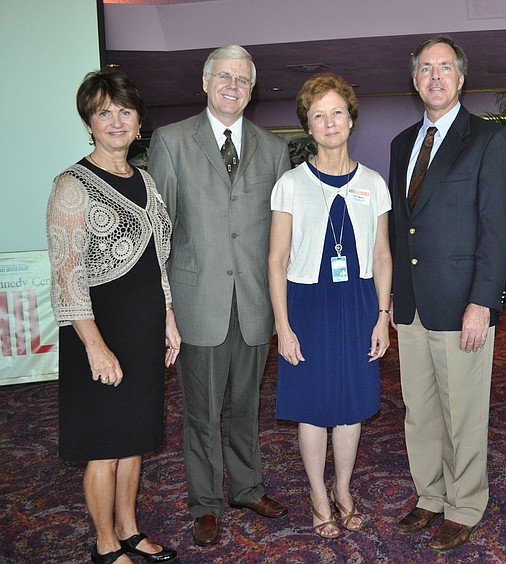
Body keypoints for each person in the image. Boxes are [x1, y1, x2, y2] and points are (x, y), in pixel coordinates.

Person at [146, 45, 290, 547]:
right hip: (196, 301)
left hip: (254, 303)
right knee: (202, 411)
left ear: (253, 90)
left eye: (243, 80)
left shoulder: (274, 150)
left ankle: (247, 487)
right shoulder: (170, 141)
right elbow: (158, 232)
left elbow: (281, 235)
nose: (233, 86)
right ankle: (204, 502)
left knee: (246, 405)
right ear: (205, 83)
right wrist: (163, 306)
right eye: (224, 77)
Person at [388, 35, 506, 552]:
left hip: (464, 301)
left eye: (445, 67)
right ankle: (430, 495)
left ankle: (465, 504)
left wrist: (484, 301)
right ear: (415, 79)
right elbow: (404, 229)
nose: (435, 76)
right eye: (425, 68)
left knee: (463, 410)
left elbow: (497, 227)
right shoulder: (402, 144)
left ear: (462, 78)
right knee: (418, 409)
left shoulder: (488, 140)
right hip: (412, 303)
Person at [46, 69, 179, 564]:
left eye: (125, 111)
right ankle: (105, 544)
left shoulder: (144, 180)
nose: (117, 121)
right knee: (104, 443)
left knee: (135, 438)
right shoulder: (71, 185)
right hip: (98, 332)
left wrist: (168, 316)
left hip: (144, 328)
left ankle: (129, 529)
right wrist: (95, 345)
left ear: (139, 120)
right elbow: (67, 275)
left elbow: (156, 260)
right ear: (89, 122)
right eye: (105, 112)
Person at [268, 73, 392, 538]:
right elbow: (276, 260)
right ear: (308, 125)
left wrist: (382, 315)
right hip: (307, 303)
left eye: (337, 111)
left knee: (352, 405)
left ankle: (343, 488)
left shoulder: (373, 184)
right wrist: (283, 325)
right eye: (318, 115)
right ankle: (318, 497)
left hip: (358, 302)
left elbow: (382, 256)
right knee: (312, 405)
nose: (329, 122)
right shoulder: (290, 184)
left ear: (351, 118)